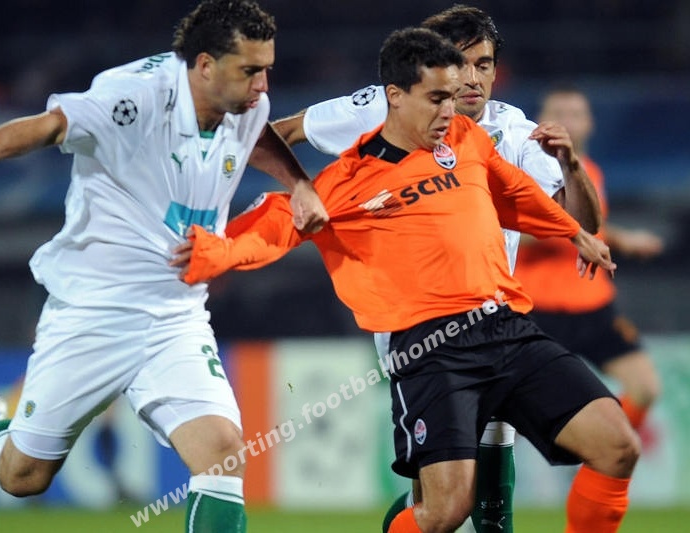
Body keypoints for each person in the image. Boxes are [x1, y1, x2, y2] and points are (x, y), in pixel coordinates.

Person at [173, 27, 640, 533]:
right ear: (395, 97)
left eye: (453, 96)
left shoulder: (467, 139)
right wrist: (209, 251)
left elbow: (516, 194)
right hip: (431, 348)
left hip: (505, 325)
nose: (450, 110)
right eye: (437, 99)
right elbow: (271, 227)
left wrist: (574, 232)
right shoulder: (347, 182)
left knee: (618, 445)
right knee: (445, 510)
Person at [0, 1, 328, 532]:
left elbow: (255, 135)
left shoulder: (246, 104)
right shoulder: (134, 96)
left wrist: (300, 184)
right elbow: (50, 126)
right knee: (23, 476)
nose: (263, 85)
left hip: (176, 317)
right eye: (250, 70)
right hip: (93, 313)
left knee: (222, 452)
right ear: (205, 65)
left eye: (267, 69)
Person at [271, 5, 601, 532]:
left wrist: (570, 165)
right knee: (440, 504)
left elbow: (579, 220)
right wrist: (301, 188)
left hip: (494, 324)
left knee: (486, 497)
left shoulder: (512, 129)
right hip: (418, 330)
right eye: (460, 64)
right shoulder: (383, 106)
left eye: (484, 65)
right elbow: (281, 131)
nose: (472, 79)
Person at [515, 84, 663, 435]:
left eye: (575, 114)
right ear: (540, 121)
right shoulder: (522, 172)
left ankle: (600, 462)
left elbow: (592, 226)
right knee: (514, 413)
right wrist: (563, 228)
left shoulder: (590, 172)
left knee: (645, 387)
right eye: (558, 114)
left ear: (590, 123)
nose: (567, 122)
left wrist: (623, 239)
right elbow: (503, 229)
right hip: (536, 310)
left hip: (593, 306)